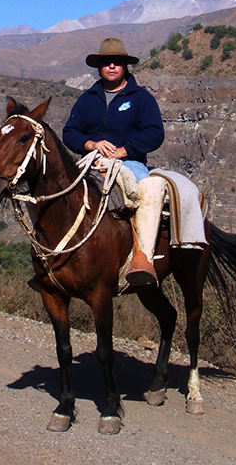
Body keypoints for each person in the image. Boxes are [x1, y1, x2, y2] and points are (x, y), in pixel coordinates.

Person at [62, 37, 165, 288]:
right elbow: (70, 132)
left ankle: (143, 258)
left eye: (117, 62)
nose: (111, 66)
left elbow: (154, 132)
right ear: (99, 67)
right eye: (106, 62)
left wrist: (124, 150)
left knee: (150, 191)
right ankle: (53, 257)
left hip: (130, 163)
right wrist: (91, 145)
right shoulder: (88, 99)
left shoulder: (141, 98)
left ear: (125, 66)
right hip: (91, 161)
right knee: (59, 189)